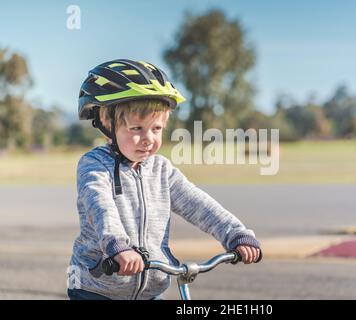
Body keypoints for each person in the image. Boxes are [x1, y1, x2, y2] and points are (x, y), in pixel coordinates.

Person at [67, 59, 261, 300]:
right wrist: (118, 247)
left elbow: (197, 203)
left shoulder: (161, 169)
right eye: (136, 129)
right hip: (98, 289)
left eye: (156, 129)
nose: (148, 138)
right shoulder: (94, 165)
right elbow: (100, 206)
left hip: (151, 290)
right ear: (107, 123)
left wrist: (235, 234)